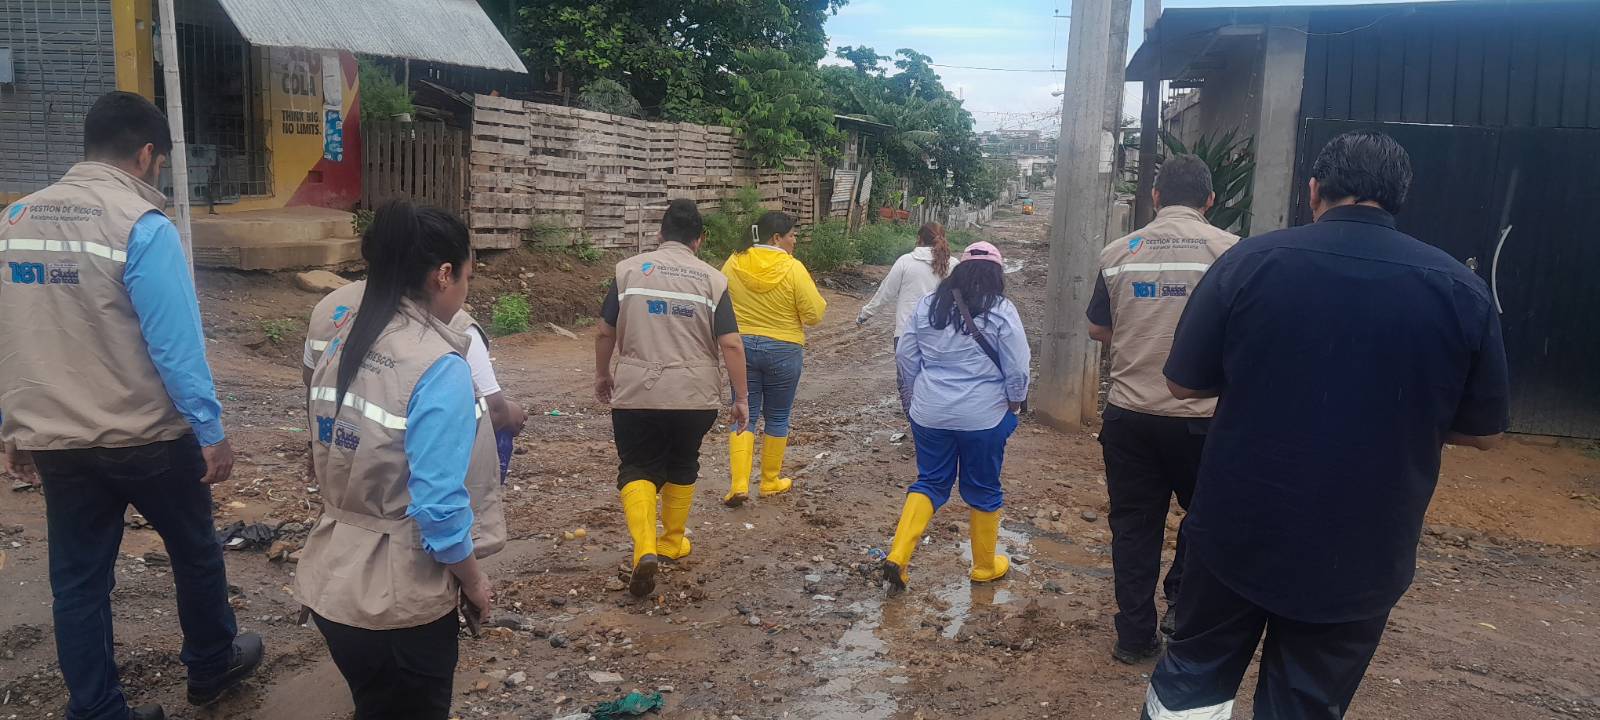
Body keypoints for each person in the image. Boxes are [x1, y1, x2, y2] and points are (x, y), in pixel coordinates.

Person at [1142, 131, 1509, 719]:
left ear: (1314, 191)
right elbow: (1485, 433)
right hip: (1364, 546)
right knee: (1306, 702)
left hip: (1239, 529)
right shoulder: (1459, 290)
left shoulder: (1250, 263)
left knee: (1193, 682)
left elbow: (1184, 384)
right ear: (1399, 197)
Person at [0, 91, 262, 720]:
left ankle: (95, 708)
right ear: (147, 154)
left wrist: (13, 425)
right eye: (161, 163)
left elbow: (11, 332)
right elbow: (175, 343)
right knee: (195, 551)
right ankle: (211, 666)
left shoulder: (14, 221)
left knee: (78, 581)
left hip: (58, 440)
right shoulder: (142, 225)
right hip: (147, 437)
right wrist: (210, 429)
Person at [298, 202, 505, 720]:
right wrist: (474, 582)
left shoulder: (344, 336)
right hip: (399, 597)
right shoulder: (437, 365)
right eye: (467, 277)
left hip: (332, 576)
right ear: (443, 275)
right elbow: (438, 507)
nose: (466, 291)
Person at [1085, 154, 1239, 664]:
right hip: (1204, 418)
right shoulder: (1232, 253)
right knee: (1209, 517)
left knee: (1133, 527)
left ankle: (1134, 635)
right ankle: (1181, 606)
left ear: (1155, 197)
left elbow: (1098, 328)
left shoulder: (1118, 252)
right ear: (1209, 200)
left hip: (1130, 416)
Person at [595, 199, 749, 598]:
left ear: (660, 234)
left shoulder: (628, 271)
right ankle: (671, 542)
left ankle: (644, 547)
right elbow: (731, 343)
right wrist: (741, 397)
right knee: (682, 461)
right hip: (694, 396)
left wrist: (602, 374)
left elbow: (604, 332)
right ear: (700, 240)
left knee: (637, 465)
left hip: (636, 392)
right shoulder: (713, 280)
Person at [881, 242, 1030, 592]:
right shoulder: (1002, 310)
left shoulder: (929, 304)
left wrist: (916, 396)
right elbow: (1018, 367)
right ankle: (984, 567)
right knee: (983, 486)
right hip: (983, 417)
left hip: (930, 413)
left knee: (930, 482)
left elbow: (905, 355)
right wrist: (1015, 402)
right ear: (997, 275)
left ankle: (898, 556)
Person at [304, 282, 527, 482]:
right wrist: (511, 413)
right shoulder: (455, 324)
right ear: (445, 273)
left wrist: (317, 446)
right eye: (467, 276)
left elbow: (312, 383)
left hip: (339, 469)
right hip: (401, 489)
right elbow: (493, 413)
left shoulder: (328, 306)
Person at [720, 211, 828, 506]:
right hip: (784, 348)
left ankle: (738, 484)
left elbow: (719, 300)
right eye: (792, 235)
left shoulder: (734, 262)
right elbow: (814, 314)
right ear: (777, 238)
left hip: (742, 347)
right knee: (778, 416)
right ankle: (769, 481)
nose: (795, 241)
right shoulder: (793, 269)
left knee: (745, 412)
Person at [856, 222, 957, 349]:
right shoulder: (953, 265)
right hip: (940, 337)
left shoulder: (905, 261)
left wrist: (865, 314)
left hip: (906, 334)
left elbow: (886, 292)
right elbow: (962, 301)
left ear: (919, 239)